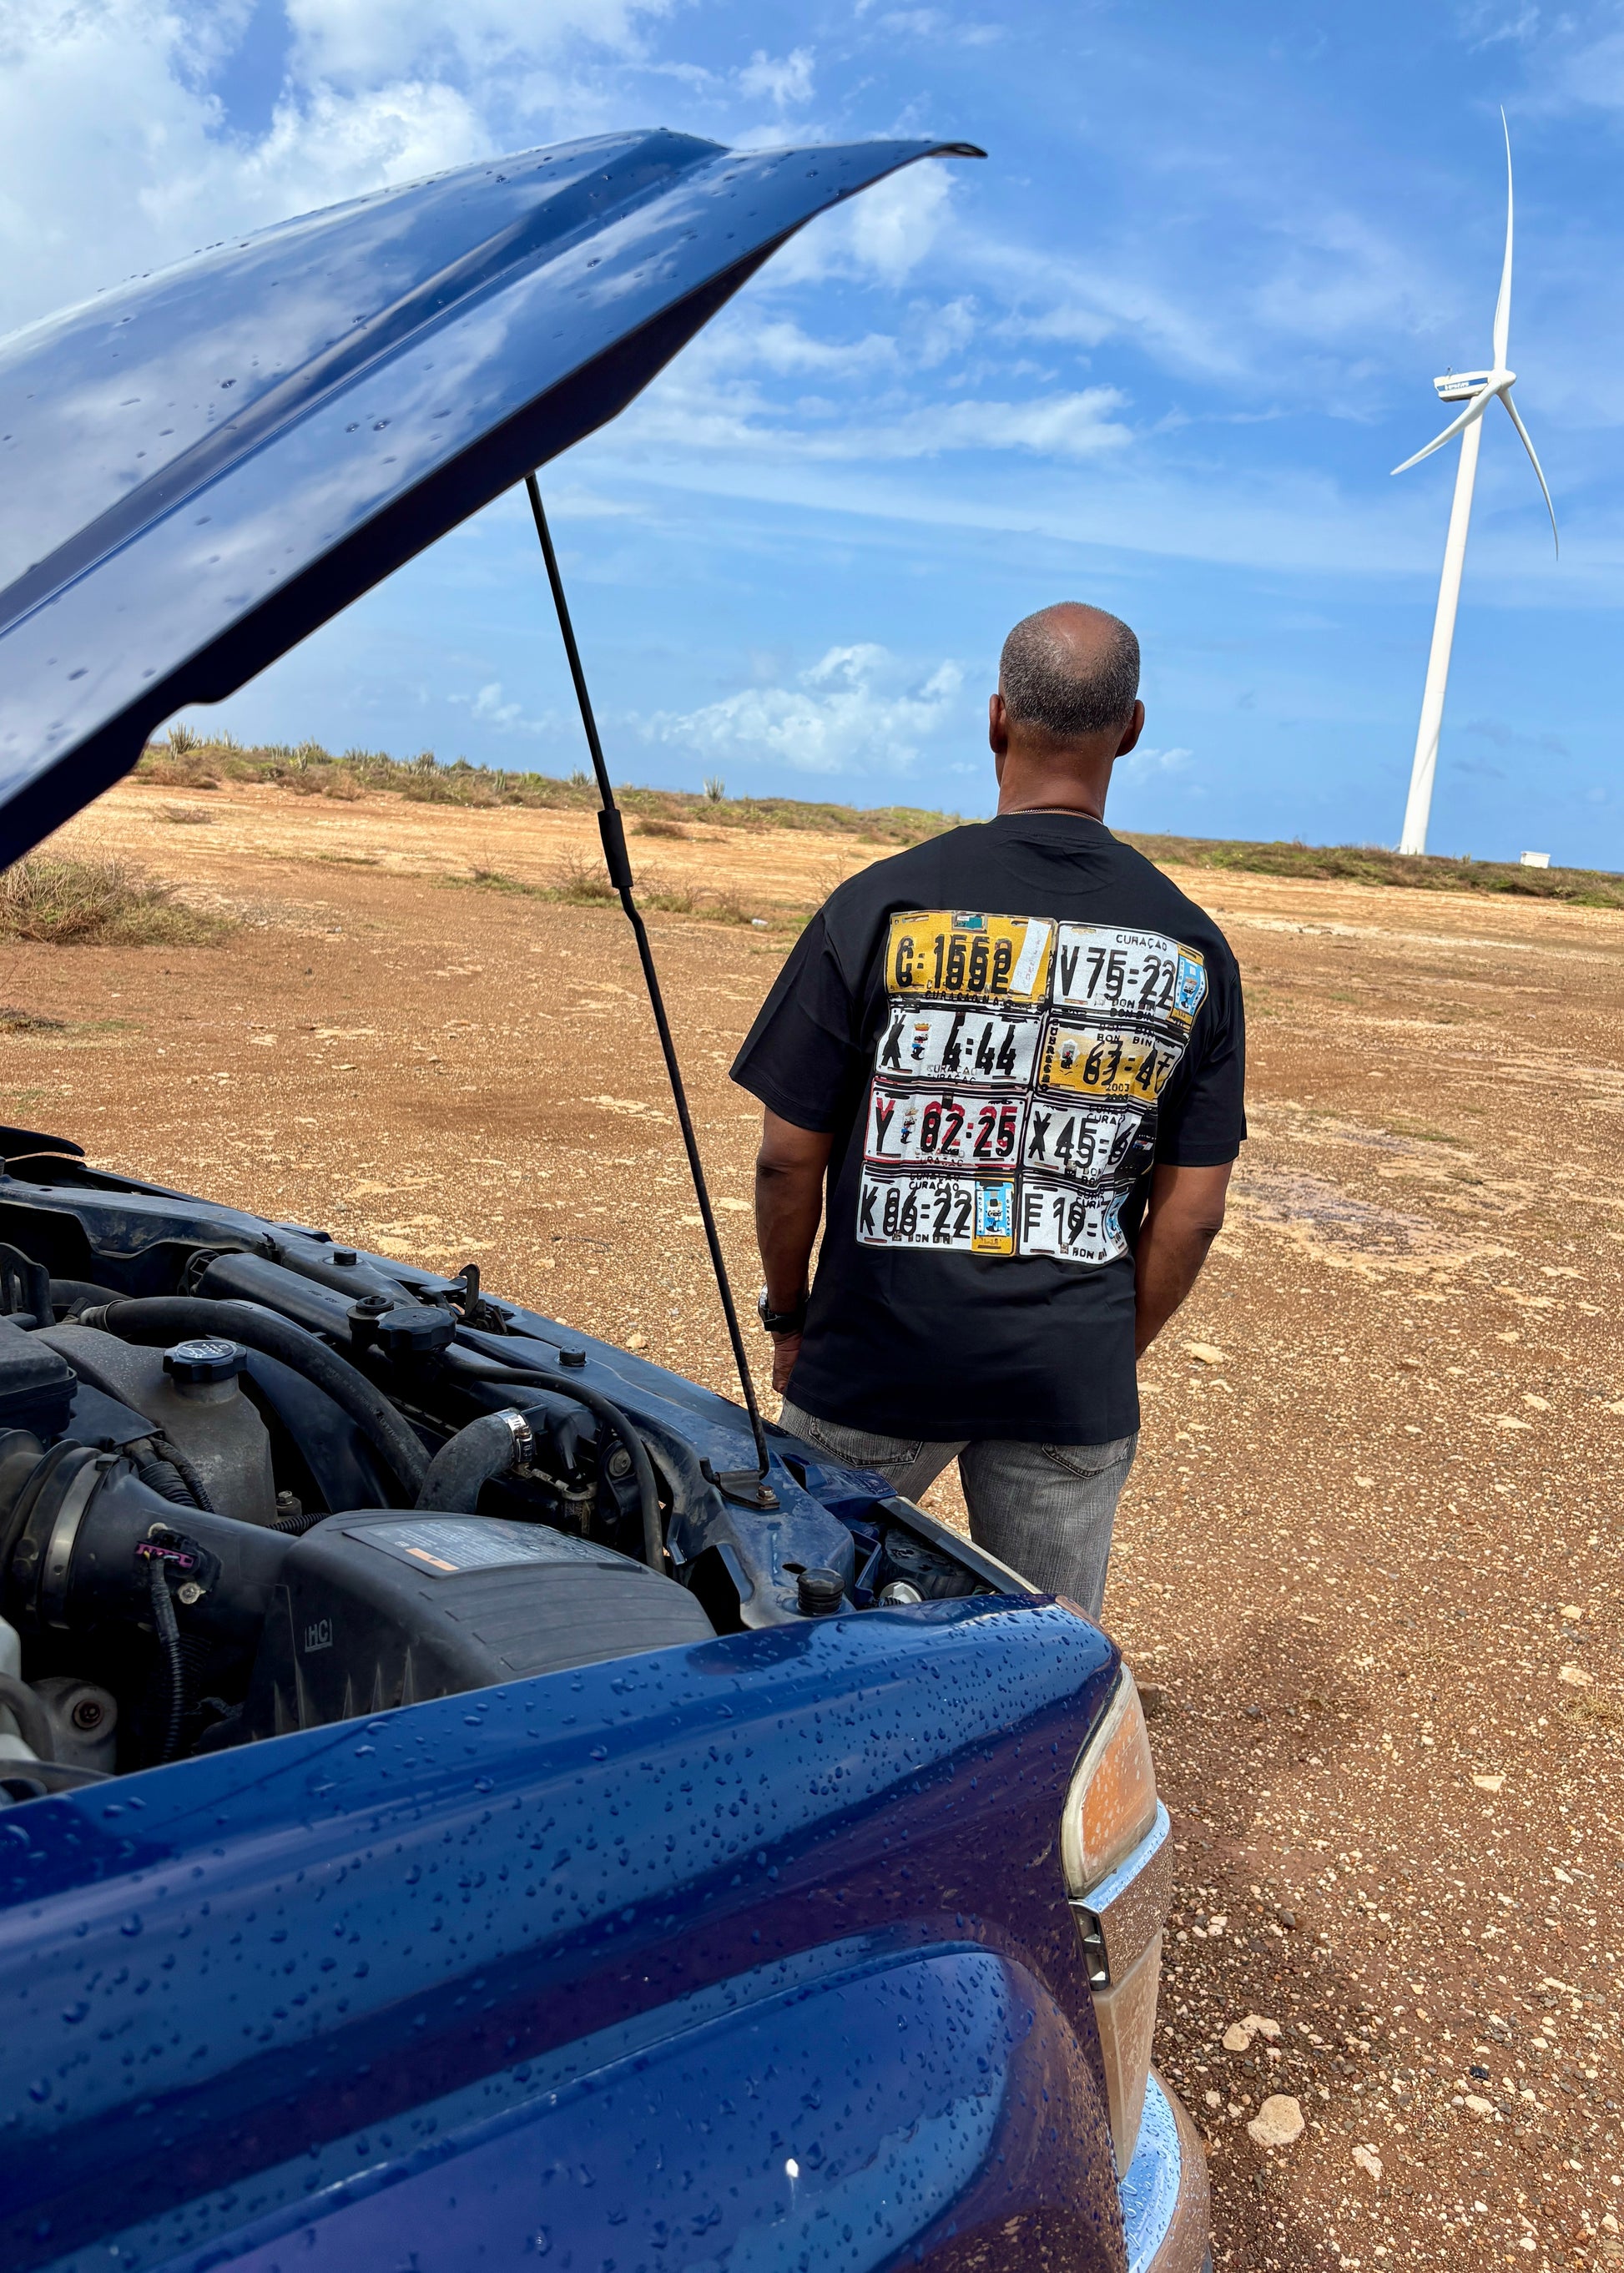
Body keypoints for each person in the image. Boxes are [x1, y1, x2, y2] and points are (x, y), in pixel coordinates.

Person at [729, 602, 1245, 1617]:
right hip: (1068, 1375)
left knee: (798, 1630)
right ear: (1131, 730)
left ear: (996, 718)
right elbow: (1193, 1212)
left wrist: (788, 1317)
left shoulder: (877, 904)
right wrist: (1101, 1349)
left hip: (875, 1357)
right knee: (1042, 1657)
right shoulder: (1191, 947)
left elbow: (787, 1159)